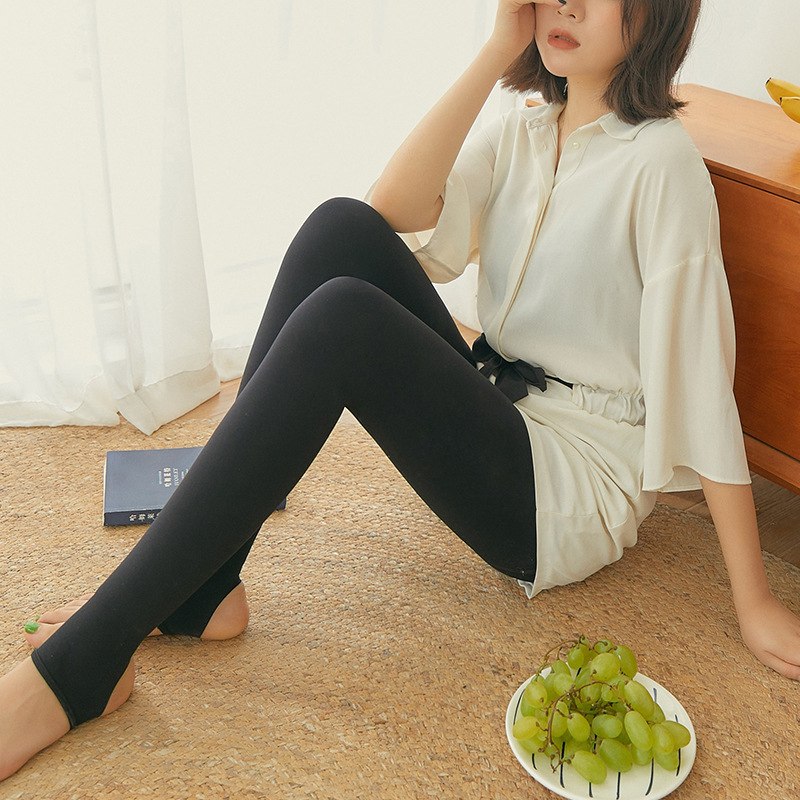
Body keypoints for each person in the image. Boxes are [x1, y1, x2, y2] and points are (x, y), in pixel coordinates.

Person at [2, 0, 800, 782]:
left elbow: (702, 379)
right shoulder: (526, 131)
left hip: (570, 484)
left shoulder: (661, 164)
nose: (566, 2)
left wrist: (755, 600)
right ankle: (202, 588)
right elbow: (389, 213)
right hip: (503, 413)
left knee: (343, 322)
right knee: (339, 228)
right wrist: (497, 50)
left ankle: (83, 667)